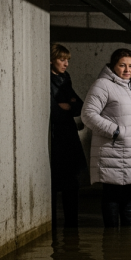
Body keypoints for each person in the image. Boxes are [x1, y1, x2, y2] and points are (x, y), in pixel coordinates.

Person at [82, 48, 131, 227]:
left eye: (130, 66)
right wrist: (115, 131)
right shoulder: (103, 85)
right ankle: (111, 243)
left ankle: (126, 245)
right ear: (113, 66)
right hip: (113, 152)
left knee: (129, 198)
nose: (127, 70)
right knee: (112, 196)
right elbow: (88, 114)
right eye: (122, 65)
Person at [49, 43, 87, 227]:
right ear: (51, 60)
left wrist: (68, 105)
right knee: (55, 183)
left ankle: (71, 228)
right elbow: (53, 112)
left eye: (67, 60)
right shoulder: (46, 81)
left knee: (71, 183)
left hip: (68, 135)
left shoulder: (65, 78)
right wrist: (66, 105)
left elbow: (79, 106)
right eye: (62, 59)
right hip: (56, 137)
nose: (66, 64)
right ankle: (54, 226)